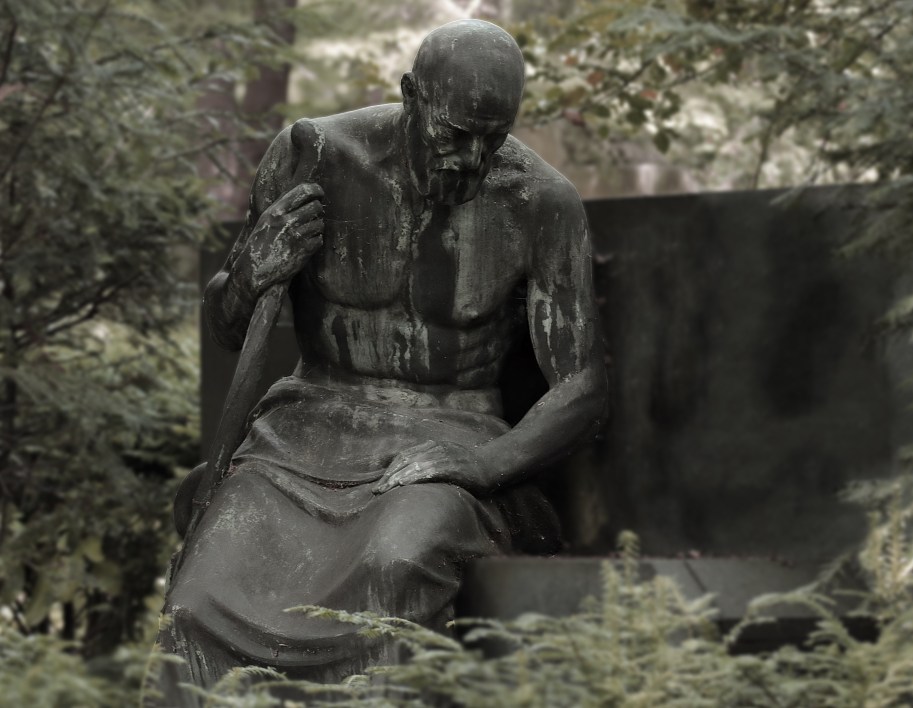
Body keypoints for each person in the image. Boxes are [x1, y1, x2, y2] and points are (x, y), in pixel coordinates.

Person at [158, 18, 607, 700]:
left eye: (492, 139)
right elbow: (228, 326)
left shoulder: (540, 202)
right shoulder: (314, 156)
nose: (472, 159)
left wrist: (488, 465)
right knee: (196, 602)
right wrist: (250, 275)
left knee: (396, 565)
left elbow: (583, 383)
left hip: (445, 437)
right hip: (299, 438)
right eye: (456, 134)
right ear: (410, 95)